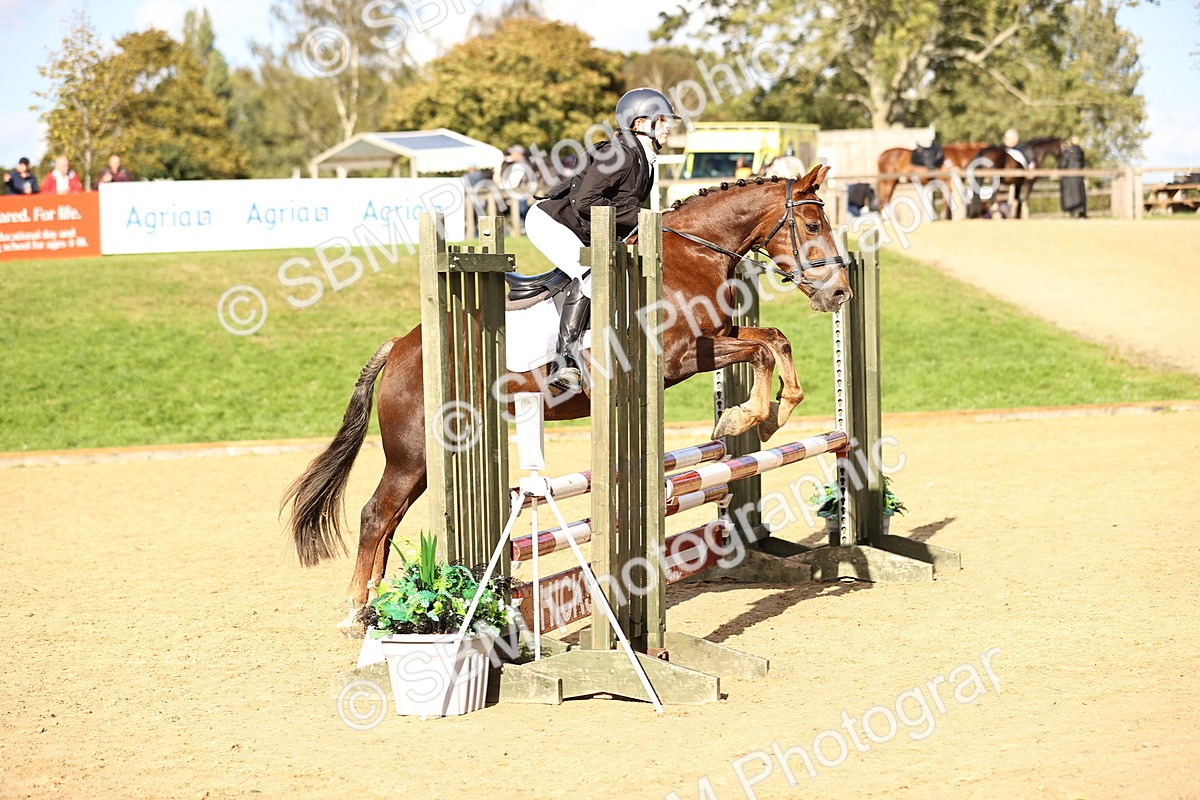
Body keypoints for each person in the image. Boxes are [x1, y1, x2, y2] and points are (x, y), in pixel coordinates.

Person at [526, 87, 680, 393]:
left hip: (579, 227)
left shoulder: (643, 158)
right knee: (592, 276)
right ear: (639, 123)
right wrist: (644, 217)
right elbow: (586, 202)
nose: (667, 126)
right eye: (661, 120)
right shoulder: (620, 153)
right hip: (551, 223)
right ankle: (564, 362)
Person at [1059, 136, 1087, 218]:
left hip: (1069, 178)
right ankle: (1080, 211)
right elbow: (1083, 164)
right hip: (1079, 177)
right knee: (1079, 193)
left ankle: (1071, 211)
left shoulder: (1068, 153)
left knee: (1069, 194)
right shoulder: (1081, 153)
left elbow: (1063, 164)